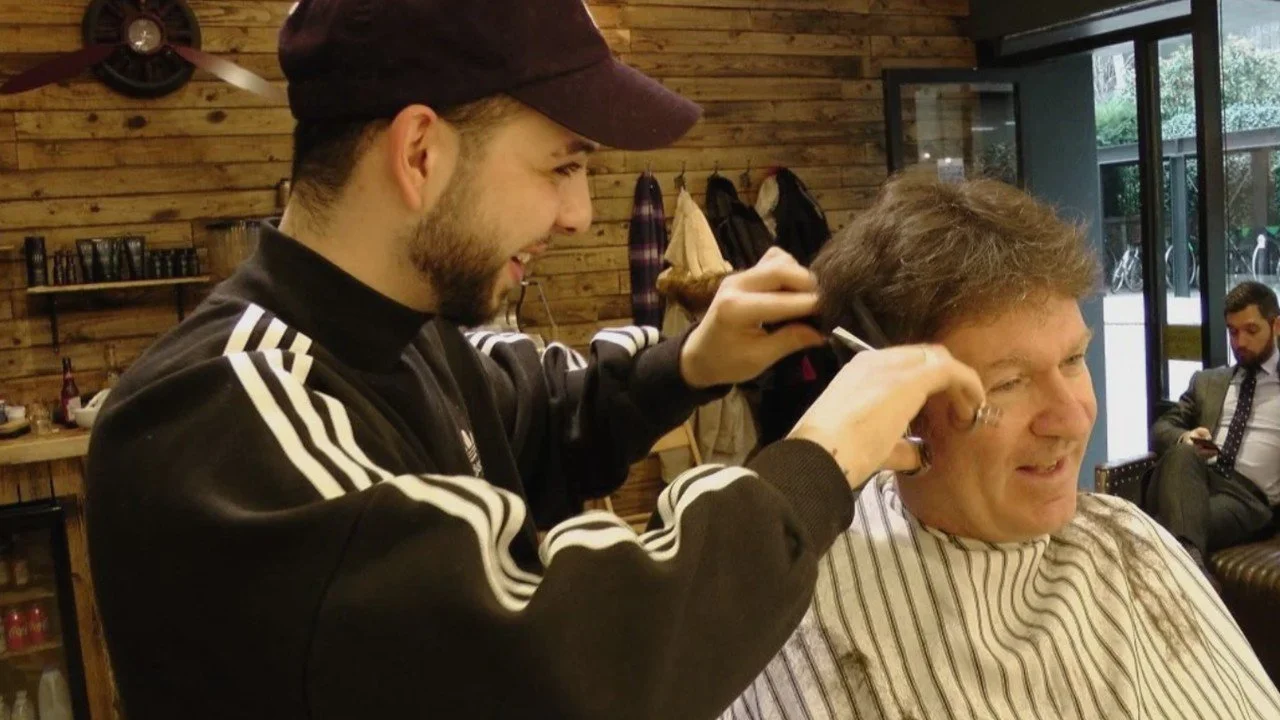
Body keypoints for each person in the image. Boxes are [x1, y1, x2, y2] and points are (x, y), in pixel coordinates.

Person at [83, 2, 988, 719]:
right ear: (421, 152)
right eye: (560, 167)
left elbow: (543, 419)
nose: (579, 217)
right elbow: (570, 668)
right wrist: (820, 459)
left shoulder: (409, 333)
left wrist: (694, 363)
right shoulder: (223, 415)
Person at [722, 175, 1280, 720]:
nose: (1071, 417)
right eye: (1008, 382)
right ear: (893, 404)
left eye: (1073, 360)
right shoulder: (816, 629)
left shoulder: (1131, 539)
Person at [1148, 281, 1280, 571]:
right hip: (1194, 479)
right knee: (1183, 453)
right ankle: (1194, 568)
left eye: (1251, 330)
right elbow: (1160, 429)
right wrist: (1186, 437)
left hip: (1247, 501)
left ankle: (1186, 564)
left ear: (1276, 325)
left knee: (1156, 528)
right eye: (1233, 332)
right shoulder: (1208, 382)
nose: (1239, 342)